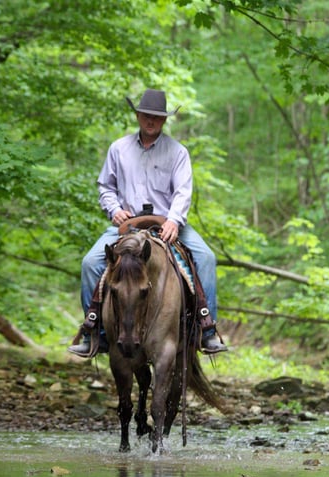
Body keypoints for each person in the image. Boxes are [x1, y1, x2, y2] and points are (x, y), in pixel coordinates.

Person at [68, 88, 227, 357]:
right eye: (145, 115)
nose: (150, 120)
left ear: (164, 120)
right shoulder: (118, 149)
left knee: (207, 258)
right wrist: (114, 209)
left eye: (156, 116)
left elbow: (183, 191)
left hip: (167, 222)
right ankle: (96, 331)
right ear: (138, 115)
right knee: (90, 263)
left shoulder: (178, 152)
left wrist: (175, 221)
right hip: (127, 224)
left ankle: (206, 328)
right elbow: (105, 186)